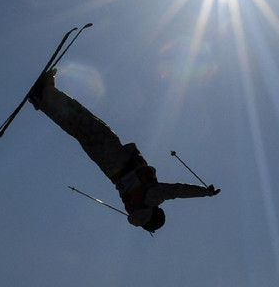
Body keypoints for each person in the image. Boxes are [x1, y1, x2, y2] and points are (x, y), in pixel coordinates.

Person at [28, 68, 219, 232]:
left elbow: (177, 191)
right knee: (78, 129)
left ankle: (46, 92)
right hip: (108, 168)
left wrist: (204, 192)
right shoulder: (134, 208)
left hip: (117, 158)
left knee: (84, 120)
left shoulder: (150, 198)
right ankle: (42, 100)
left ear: (156, 213)